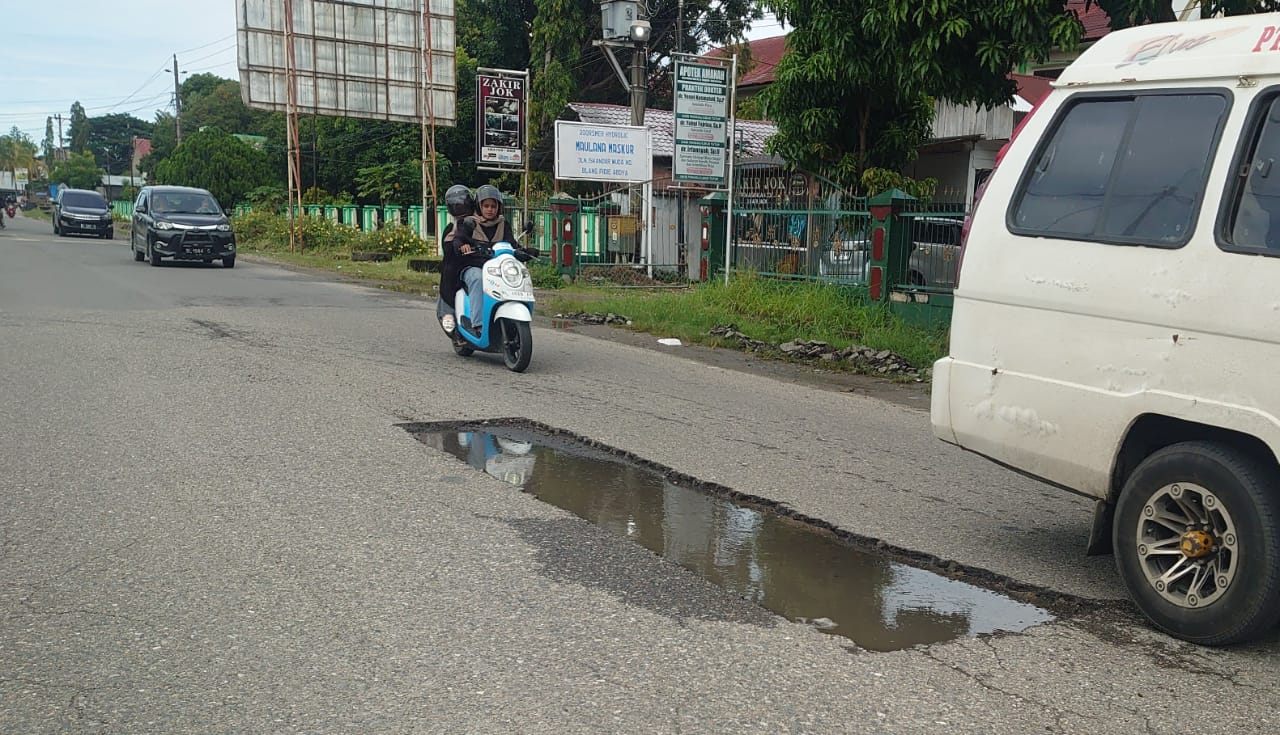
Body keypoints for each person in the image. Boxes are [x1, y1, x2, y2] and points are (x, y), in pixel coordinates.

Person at [453, 184, 538, 334]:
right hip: (475, 266)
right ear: (479, 207)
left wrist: (525, 252)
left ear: (498, 207)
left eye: (493, 206)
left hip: (497, 269)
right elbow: (458, 240)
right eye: (486, 206)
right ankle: (478, 325)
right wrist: (463, 246)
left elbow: (512, 244)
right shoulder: (469, 223)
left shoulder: (503, 224)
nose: (490, 209)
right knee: (478, 279)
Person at [437, 184, 476, 331]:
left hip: (481, 262)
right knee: (449, 277)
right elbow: (451, 248)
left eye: (462, 203)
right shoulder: (451, 228)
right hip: (458, 266)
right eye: (455, 205)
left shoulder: (482, 221)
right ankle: (451, 316)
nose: (459, 207)